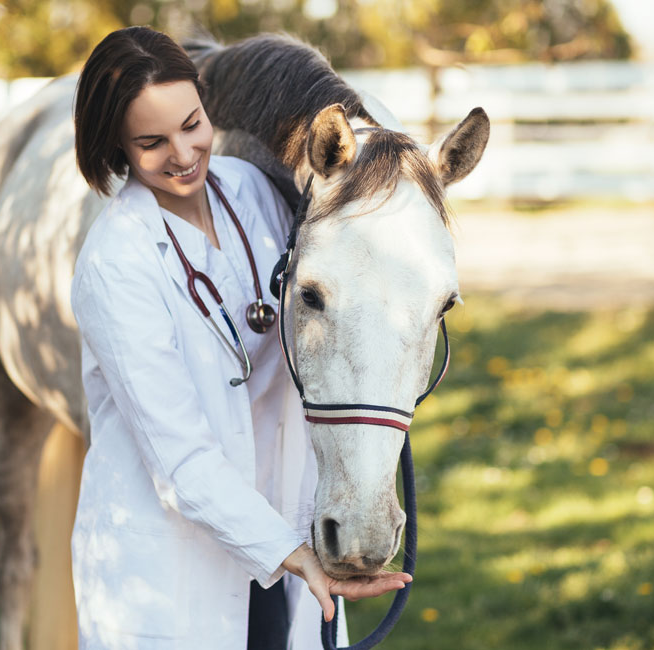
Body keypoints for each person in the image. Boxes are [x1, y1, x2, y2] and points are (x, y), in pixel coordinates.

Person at [69, 26, 411, 649]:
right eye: (151, 142)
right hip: (176, 570)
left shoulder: (252, 190)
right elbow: (181, 461)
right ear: (114, 145)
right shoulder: (115, 263)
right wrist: (296, 554)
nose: (181, 154)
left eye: (191, 123)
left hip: (279, 534)